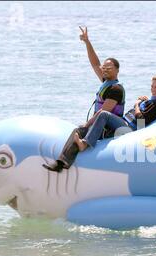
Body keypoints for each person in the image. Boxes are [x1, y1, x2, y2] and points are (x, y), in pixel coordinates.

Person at [43, 26, 125, 172]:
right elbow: (94, 63)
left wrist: (87, 125)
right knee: (77, 130)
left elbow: (102, 112)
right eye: (104, 68)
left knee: (93, 121)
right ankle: (61, 164)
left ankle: (85, 144)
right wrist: (87, 42)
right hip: (102, 124)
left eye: (109, 68)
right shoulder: (106, 82)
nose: (105, 69)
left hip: (116, 127)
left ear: (117, 70)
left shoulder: (116, 89)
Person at [73, 74, 156, 152]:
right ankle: (85, 135)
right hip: (124, 123)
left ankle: (84, 144)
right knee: (103, 119)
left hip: (130, 130)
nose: (152, 90)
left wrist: (137, 104)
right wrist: (144, 102)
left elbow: (141, 123)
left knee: (103, 114)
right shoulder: (154, 101)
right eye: (152, 86)